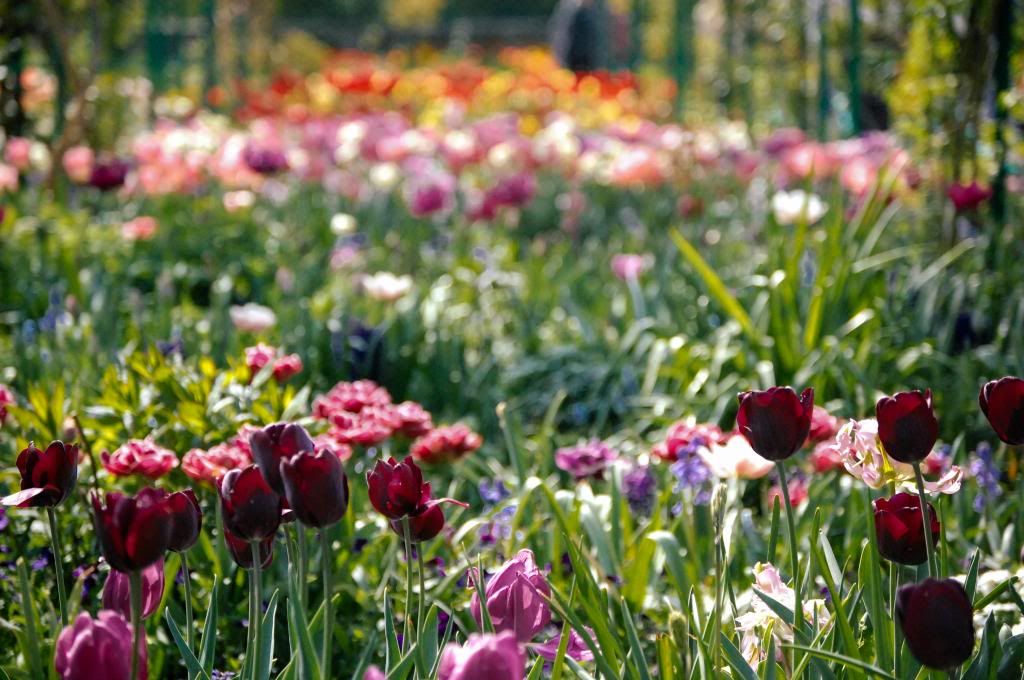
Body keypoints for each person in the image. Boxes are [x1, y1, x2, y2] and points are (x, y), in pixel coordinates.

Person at [550, 0, 600, 73]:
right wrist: (561, 56)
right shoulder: (571, 11)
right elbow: (562, 35)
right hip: (574, 57)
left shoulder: (590, 12)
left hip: (585, 58)